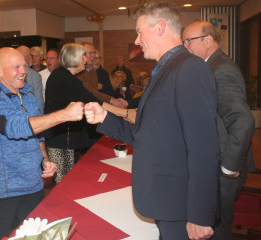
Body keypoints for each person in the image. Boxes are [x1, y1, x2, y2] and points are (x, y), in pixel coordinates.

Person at [84, 2, 220, 240]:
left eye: (139, 31)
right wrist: (103, 117)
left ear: (160, 27)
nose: (137, 40)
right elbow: (147, 131)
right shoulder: (166, 69)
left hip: (180, 204)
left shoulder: (189, 68)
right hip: (167, 200)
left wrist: (200, 214)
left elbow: (204, 148)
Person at [0, 47, 84, 240]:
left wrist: (44, 160)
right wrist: (64, 114)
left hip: (32, 186)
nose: (23, 71)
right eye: (15, 67)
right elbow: (16, 127)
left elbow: (37, 134)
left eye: (23, 66)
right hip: (1, 192)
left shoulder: (29, 97)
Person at [183, 20, 255, 240]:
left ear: (207, 39)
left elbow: (243, 120)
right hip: (217, 161)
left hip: (225, 166)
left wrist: (229, 167)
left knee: (216, 229)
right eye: (183, 41)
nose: (185, 47)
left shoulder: (220, 69)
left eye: (189, 41)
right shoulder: (210, 65)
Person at [77, 42, 127, 109]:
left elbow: (106, 93)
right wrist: (112, 101)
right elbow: (90, 93)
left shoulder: (93, 71)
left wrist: (113, 101)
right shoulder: (78, 71)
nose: (94, 57)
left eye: (94, 53)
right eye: (90, 53)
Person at [17, 45, 44, 114]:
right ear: (27, 57)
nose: (32, 58)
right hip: (31, 115)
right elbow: (39, 101)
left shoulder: (9, 72)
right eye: (31, 56)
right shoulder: (35, 76)